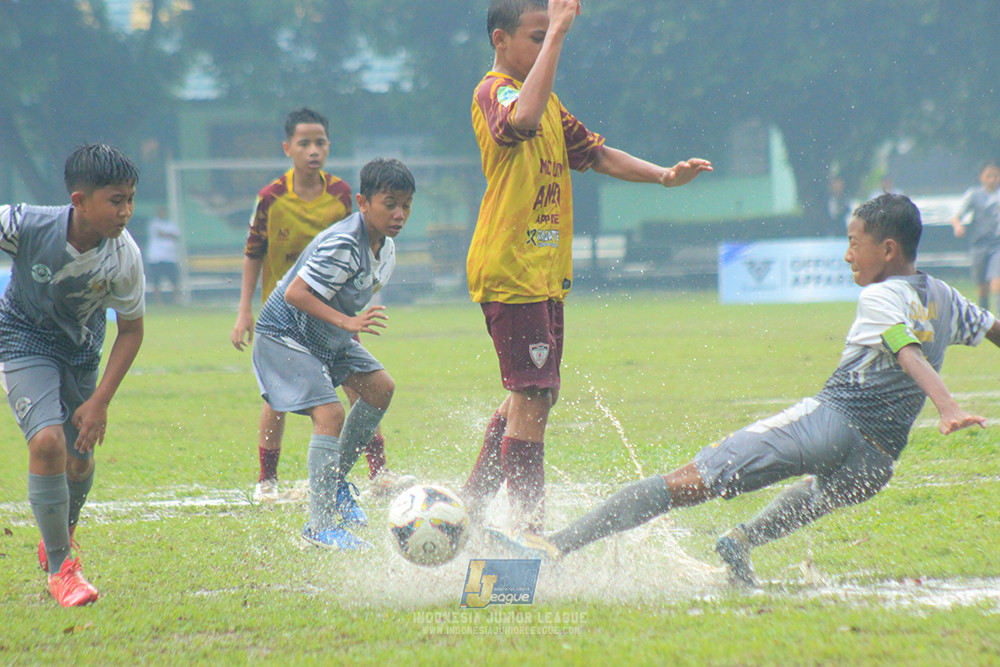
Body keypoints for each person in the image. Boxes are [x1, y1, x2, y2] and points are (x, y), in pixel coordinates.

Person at [490, 194, 1000, 588]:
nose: (847, 255)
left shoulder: (882, 296)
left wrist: (948, 406)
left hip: (830, 425)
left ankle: (553, 546)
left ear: (887, 250)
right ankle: (741, 540)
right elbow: (992, 327)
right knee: (818, 496)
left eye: (854, 242)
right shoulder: (945, 296)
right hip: (877, 460)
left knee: (688, 481)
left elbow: (905, 350)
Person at [462, 0, 712, 534]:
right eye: (536, 36)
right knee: (532, 398)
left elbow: (596, 154)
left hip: (542, 274)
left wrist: (665, 176)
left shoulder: (547, 101)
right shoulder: (496, 92)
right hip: (512, 270)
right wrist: (558, 30)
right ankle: (529, 532)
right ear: (500, 41)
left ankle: (470, 509)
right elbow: (521, 120)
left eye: (549, 37)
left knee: (531, 395)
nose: (547, 44)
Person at [230, 108, 405, 502]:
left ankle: (373, 473)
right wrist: (245, 309)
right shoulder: (271, 197)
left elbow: (363, 257)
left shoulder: (342, 195)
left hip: (336, 313)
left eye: (320, 142)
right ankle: (268, 480)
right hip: (290, 313)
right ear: (287, 148)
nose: (313, 150)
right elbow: (254, 253)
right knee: (279, 400)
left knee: (367, 388)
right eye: (304, 143)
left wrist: (350, 320)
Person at [0, 144, 145, 606]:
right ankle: (63, 570)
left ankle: (58, 533)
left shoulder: (125, 257)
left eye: (130, 199)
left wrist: (99, 401)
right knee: (47, 444)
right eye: (115, 200)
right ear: (79, 200)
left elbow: (132, 331)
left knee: (79, 461)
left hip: (82, 353)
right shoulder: (25, 224)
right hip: (22, 340)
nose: (126, 212)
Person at [250, 157, 415, 550]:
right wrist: (347, 323)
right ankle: (319, 526)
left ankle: (335, 483)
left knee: (380, 388)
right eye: (390, 203)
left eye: (406, 205)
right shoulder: (344, 242)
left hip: (325, 336)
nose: (399, 214)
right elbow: (295, 293)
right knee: (331, 413)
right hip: (284, 333)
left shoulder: (386, 250)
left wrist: (343, 327)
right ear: (362, 202)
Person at [951, 160, 1000, 313]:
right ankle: (984, 319)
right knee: (982, 287)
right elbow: (956, 216)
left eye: (996, 176)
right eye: (989, 176)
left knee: (997, 282)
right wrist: (958, 226)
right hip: (979, 244)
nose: (992, 180)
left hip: (997, 244)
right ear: (981, 177)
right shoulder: (973, 195)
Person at [145, 205, 181, 303]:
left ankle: (176, 301)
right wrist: (170, 234)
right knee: (156, 282)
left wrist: (168, 234)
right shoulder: (154, 223)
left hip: (170, 257)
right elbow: (160, 233)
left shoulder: (171, 224)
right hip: (156, 257)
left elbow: (177, 236)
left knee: (174, 281)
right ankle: (159, 302)